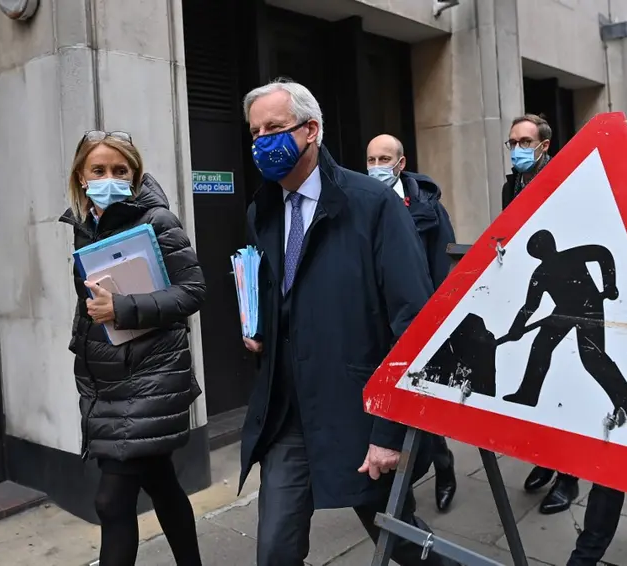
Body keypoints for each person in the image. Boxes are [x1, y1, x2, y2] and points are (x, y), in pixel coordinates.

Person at [237, 79, 458, 566]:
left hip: (357, 411)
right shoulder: (262, 210)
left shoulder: (373, 204)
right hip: (288, 413)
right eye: (255, 132)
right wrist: (262, 330)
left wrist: (389, 432)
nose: (262, 141)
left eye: (274, 128)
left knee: (399, 541)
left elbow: (414, 323)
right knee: (274, 551)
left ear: (311, 130)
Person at [59, 131, 205, 566]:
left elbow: (193, 291)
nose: (109, 178)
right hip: (106, 380)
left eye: (120, 170)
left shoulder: (157, 220)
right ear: (81, 177)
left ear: (135, 175)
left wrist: (122, 309)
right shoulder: (85, 226)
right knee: (161, 483)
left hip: (151, 376)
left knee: (111, 502)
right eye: (99, 170)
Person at [366, 133, 458, 512]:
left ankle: (443, 466)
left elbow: (445, 266)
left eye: (384, 159)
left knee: (422, 403)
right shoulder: (363, 204)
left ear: (401, 163)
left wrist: (436, 319)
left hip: (419, 320)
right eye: (371, 160)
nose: (376, 167)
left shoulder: (428, 207)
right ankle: (403, 489)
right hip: (378, 323)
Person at [502, 113, 579, 515]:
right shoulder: (511, 184)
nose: (517, 149)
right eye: (513, 142)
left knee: (567, 379)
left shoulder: (566, 181)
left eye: (525, 142)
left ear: (544, 145)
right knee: (538, 373)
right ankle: (547, 458)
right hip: (533, 284)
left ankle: (570, 475)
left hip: (572, 294)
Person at [503, 229, 627, 420]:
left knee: (592, 357)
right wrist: (516, 328)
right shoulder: (540, 273)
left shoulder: (571, 256)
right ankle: (528, 395)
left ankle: (626, 399)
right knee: (541, 346)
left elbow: (603, 253)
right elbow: (531, 305)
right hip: (564, 311)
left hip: (589, 307)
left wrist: (609, 284)